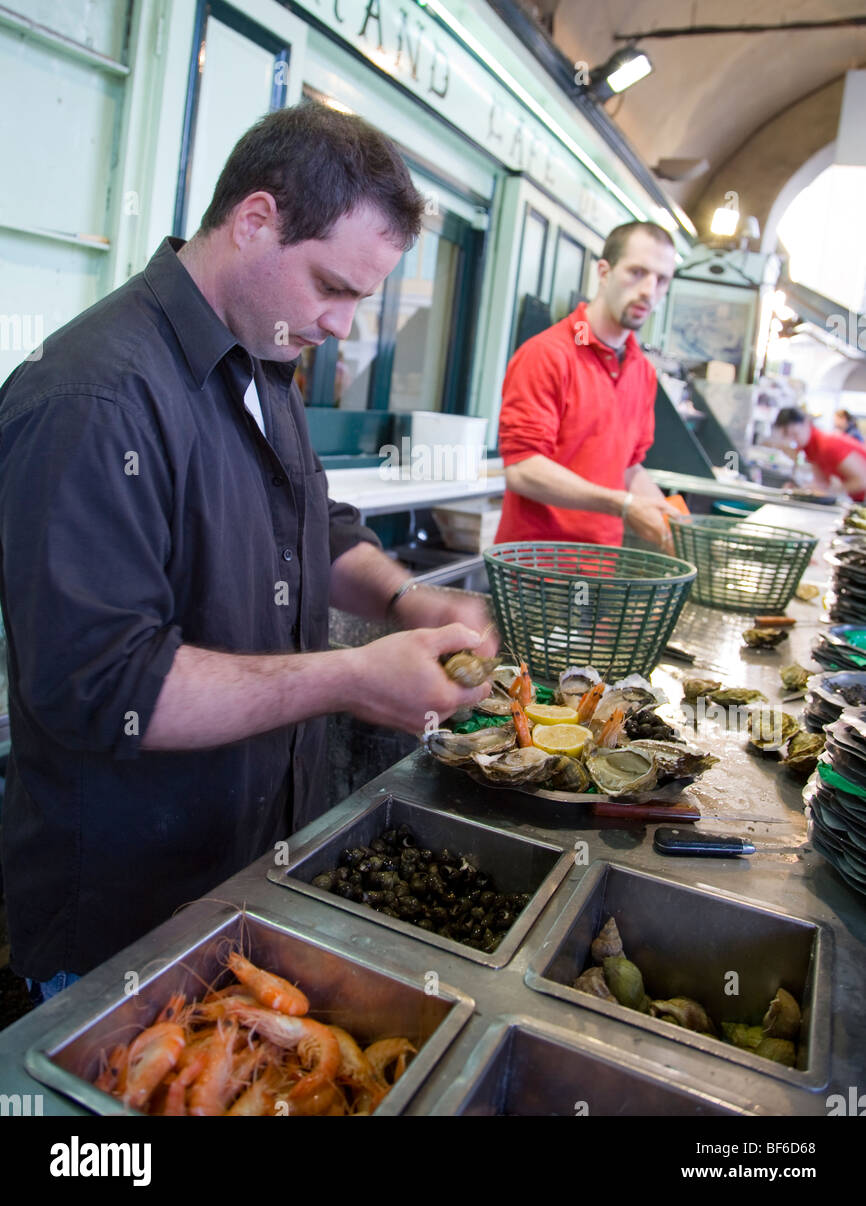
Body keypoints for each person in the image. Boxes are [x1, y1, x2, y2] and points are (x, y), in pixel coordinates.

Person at [0, 103, 495, 997]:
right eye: (334, 288)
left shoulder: (264, 355)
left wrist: (404, 601)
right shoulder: (93, 399)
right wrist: (350, 678)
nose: (343, 325)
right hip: (126, 921)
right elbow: (107, 690)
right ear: (255, 220)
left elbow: (318, 521)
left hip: (252, 871)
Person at [495, 221, 677, 550]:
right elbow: (523, 469)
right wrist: (622, 504)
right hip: (534, 570)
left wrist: (679, 529)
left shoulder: (642, 372)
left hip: (600, 565)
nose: (649, 291)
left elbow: (626, 466)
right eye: (637, 272)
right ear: (604, 272)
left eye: (662, 279)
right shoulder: (548, 354)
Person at [774, 407, 866, 500]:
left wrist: (832, 491)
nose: (793, 441)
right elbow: (821, 483)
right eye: (787, 436)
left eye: (795, 434)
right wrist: (800, 490)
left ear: (806, 423)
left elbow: (862, 480)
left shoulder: (828, 444)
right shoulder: (810, 448)